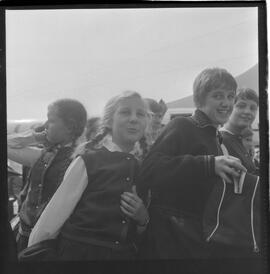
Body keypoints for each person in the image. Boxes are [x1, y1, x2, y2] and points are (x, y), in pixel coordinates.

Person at [136, 67, 246, 259]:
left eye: (230, 96)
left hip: (196, 239)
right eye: (218, 96)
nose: (226, 103)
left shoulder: (215, 136)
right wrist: (209, 164)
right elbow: (149, 170)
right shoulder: (182, 126)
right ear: (200, 99)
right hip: (171, 240)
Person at [28, 91, 150, 261]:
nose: (134, 119)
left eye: (140, 114)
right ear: (109, 120)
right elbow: (53, 217)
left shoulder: (143, 166)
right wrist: (33, 256)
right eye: (125, 112)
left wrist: (143, 218)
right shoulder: (88, 160)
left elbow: (141, 231)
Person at [7, 99, 87, 253]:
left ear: (70, 126)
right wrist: (38, 136)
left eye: (51, 120)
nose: (45, 125)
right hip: (25, 234)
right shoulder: (43, 156)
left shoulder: (81, 161)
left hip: (50, 242)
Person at [220, 88, 259, 175]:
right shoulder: (219, 140)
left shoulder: (242, 139)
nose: (248, 112)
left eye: (253, 108)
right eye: (241, 106)